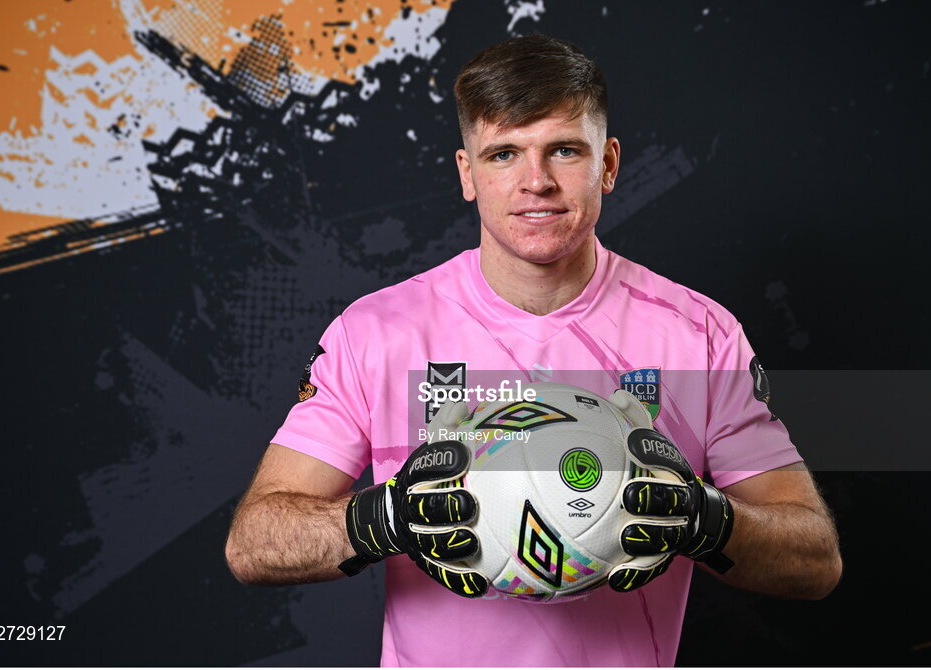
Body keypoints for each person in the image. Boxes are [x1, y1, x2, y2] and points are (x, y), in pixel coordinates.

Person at [225, 34, 842, 666]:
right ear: (467, 174)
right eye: (503, 154)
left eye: (564, 150)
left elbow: (814, 559)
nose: (536, 182)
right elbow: (254, 543)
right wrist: (382, 519)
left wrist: (705, 521)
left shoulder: (697, 333)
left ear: (608, 163)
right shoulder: (377, 333)